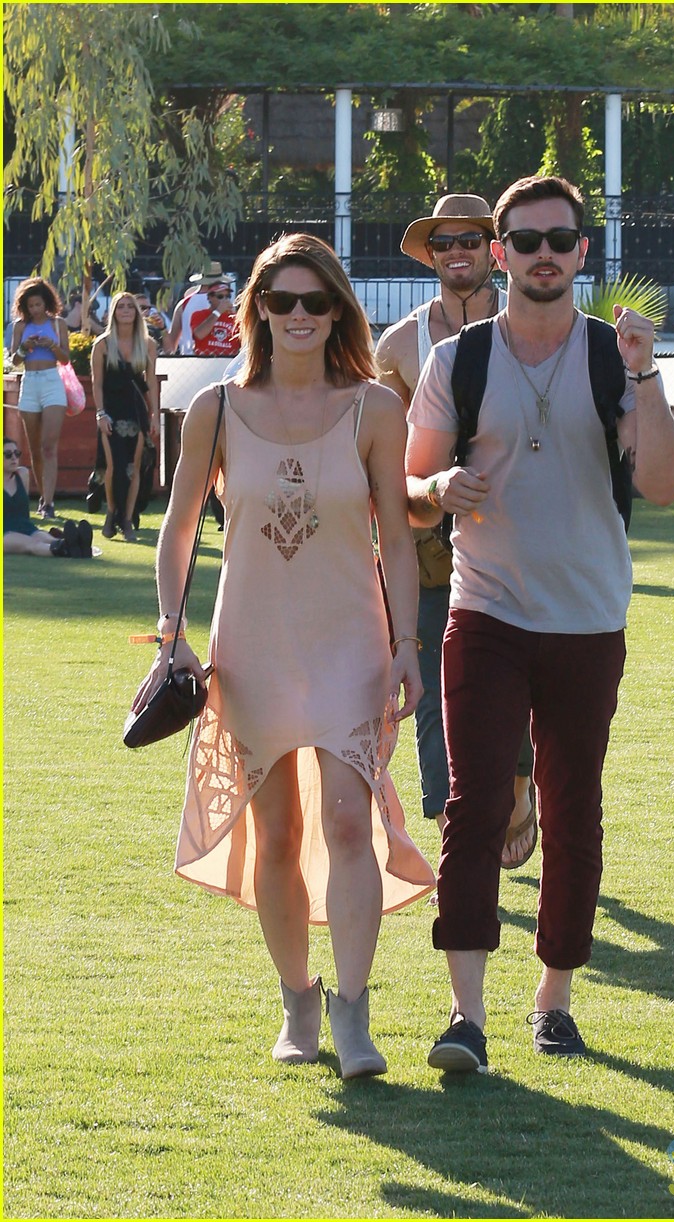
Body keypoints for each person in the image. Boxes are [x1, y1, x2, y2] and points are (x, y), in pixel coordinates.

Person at [131, 233, 434, 1080]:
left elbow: (398, 539)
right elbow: (180, 527)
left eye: (315, 301)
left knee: (347, 817)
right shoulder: (215, 410)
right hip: (252, 639)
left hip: (350, 638)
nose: (298, 315)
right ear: (257, 310)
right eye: (281, 301)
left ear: (337, 308)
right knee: (276, 835)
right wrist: (171, 631)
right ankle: (297, 996)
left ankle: (352, 1011)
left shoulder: (376, 408)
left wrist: (407, 645)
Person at [406, 174, 674, 1073]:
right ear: (498, 255)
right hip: (484, 607)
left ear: (580, 252)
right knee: (474, 803)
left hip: (587, 617)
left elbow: (664, 486)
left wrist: (643, 375)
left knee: (572, 809)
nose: (541, 255)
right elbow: (407, 494)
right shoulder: (460, 362)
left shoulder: (618, 356)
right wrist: (438, 488)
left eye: (557, 241)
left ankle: (553, 1001)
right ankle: (465, 1017)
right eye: (522, 241)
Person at [375, 194, 537, 869]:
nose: (456, 251)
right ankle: (451, 828)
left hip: (516, 540)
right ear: (431, 256)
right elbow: (381, 459)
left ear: (493, 250)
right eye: (442, 243)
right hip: (426, 546)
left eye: (470, 238)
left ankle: (520, 788)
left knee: (521, 683)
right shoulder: (397, 345)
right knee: (431, 691)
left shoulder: (533, 331)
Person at [91, 292, 159, 542]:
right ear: (114, 312)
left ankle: (127, 520)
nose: (127, 310)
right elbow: (97, 385)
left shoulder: (148, 344)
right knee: (113, 466)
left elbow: (151, 383)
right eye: (121, 306)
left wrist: (154, 416)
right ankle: (111, 512)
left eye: (131, 306)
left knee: (134, 467)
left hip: (137, 410)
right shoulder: (102, 344)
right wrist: (100, 413)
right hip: (110, 409)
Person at [9, 277, 71, 520]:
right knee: (35, 447)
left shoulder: (58, 324)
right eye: (31, 305)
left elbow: (65, 358)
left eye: (39, 304)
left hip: (51, 382)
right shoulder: (20, 326)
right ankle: (42, 498)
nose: (35, 310)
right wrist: (25, 347)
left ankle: (48, 502)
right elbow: (15, 360)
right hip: (30, 382)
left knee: (48, 445)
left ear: (47, 302)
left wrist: (52, 345)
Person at [3, 438, 94, 557]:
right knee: (32, 544)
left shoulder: (23, 474)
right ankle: (67, 550)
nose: (14, 458)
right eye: (8, 454)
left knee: (49, 539)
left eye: (17, 453)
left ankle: (77, 546)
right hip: (4, 532)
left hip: (25, 526)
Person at [165, 262, 232, 355]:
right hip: (222, 359)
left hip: (189, 360)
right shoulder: (225, 303)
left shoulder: (183, 304)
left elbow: (172, 344)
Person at [190, 280, 240, 357]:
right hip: (205, 361)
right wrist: (218, 312)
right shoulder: (199, 315)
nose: (224, 300)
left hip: (228, 361)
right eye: (220, 296)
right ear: (210, 297)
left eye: (227, 296)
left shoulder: (235, 318)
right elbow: (199, 335)